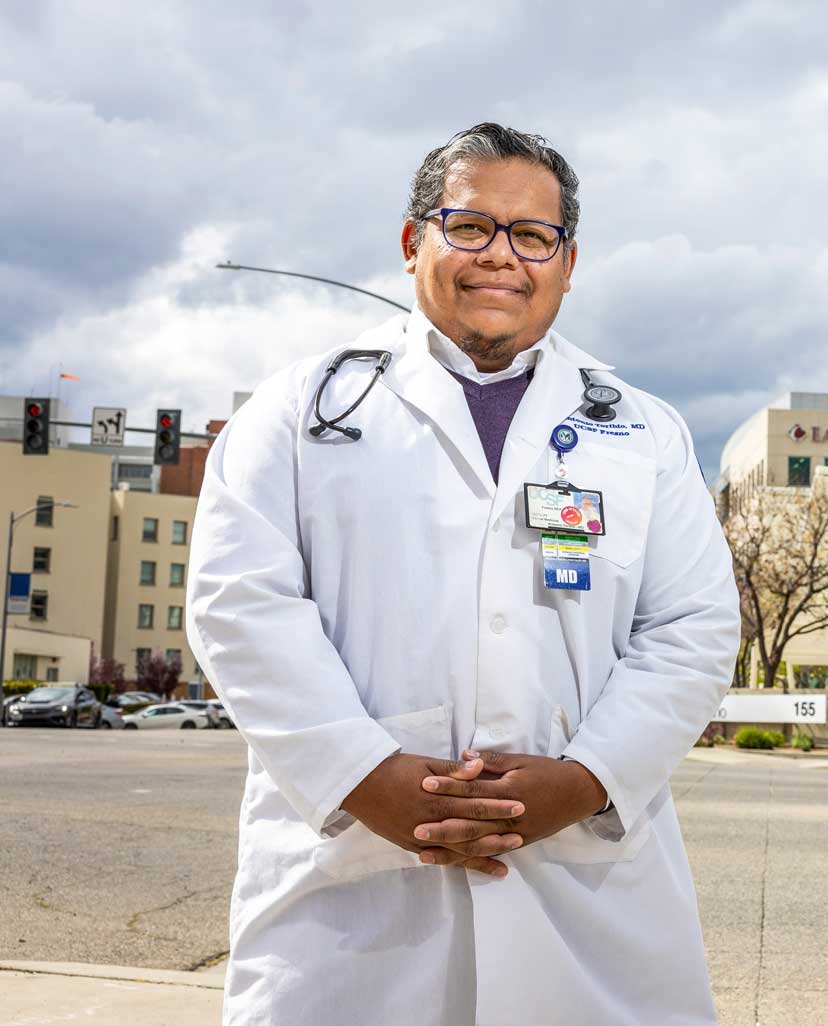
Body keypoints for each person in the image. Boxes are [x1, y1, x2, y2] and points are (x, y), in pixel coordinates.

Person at [187, 123, 739, 1026]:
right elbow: (238, 605)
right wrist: (363, 775)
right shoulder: (298, 410)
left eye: (534, 236)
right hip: (353, 897)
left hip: (588, 901)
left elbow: (695, 628)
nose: (503, 258)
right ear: (415, 244)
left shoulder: (643, 431)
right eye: (471, 226)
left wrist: (587, 777)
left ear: (566, 262)